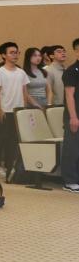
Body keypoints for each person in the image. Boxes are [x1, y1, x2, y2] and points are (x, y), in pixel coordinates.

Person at [0, 41, 28, 176]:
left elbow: (24, 92)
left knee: (13, 140)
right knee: (1, 139)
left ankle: (9, 165)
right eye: (12, 53)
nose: (15, 55)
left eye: (17, 52)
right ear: (3, 55)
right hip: (4, 111)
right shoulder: (0, 72)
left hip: (17, 112)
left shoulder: (21, 72)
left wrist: (24, 109)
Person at [61, 37, 79, 192]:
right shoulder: (71, 71)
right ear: (76, 51)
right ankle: (70, 180)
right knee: (72, 149)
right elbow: (69, 95)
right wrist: (73, 117)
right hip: (74, 116)